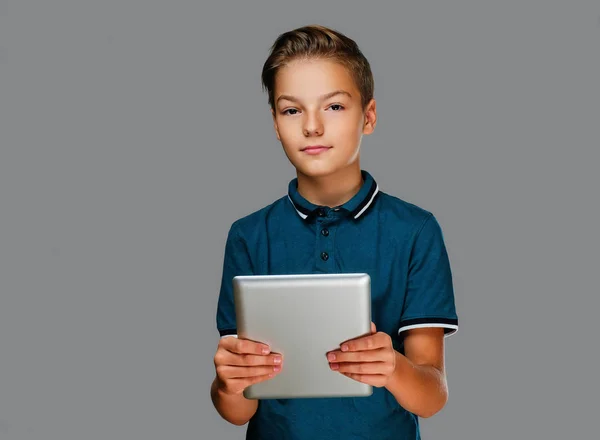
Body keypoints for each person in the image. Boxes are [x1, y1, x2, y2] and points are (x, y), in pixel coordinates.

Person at [210, 24, 459, 440]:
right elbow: (236, 411)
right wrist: (228, 384)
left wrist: (394, 368)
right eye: (292, 110)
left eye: (334, 107)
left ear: (369, 116)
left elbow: (432, 397)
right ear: (275, 123)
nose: (312, 126)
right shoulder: (248, 236)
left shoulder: (416, 231)